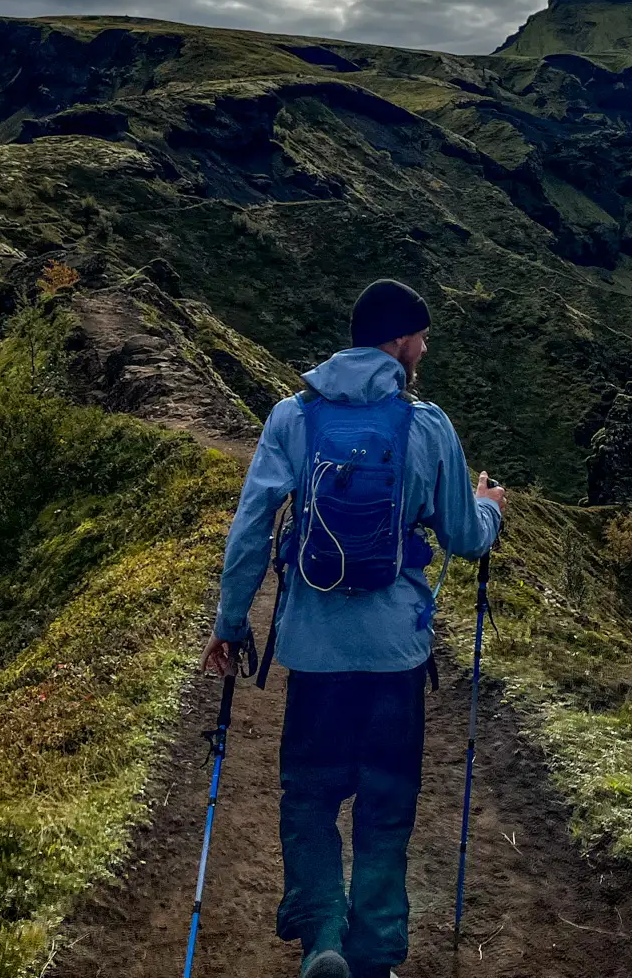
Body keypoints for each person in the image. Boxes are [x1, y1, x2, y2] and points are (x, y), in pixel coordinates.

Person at [203, 278, 505, 978]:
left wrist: (230, 624)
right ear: (399, 342)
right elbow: (463, 535)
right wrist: (491, 506)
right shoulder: (428, 424)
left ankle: (324, 942)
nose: (424, 350)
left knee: (309, 799)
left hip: (315, 655)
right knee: (386, 809)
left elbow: (251, 530)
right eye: (422, 338)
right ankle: (375, 960)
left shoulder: (292, 416)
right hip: (396, 657)